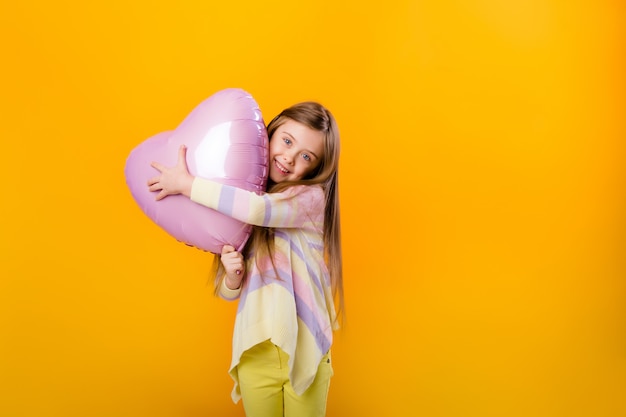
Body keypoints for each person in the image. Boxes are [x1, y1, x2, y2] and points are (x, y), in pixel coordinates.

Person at [147, 101, 344, 417]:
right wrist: (232, 279)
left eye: (306, 156)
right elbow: (228, 292)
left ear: (316, 168)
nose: (289, 157)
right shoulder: (238, 211)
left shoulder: (309, 200)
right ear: (272, 131)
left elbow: (257, 209)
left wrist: (187, 184)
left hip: (306, 349)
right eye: (287, 141)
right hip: (255, 352)